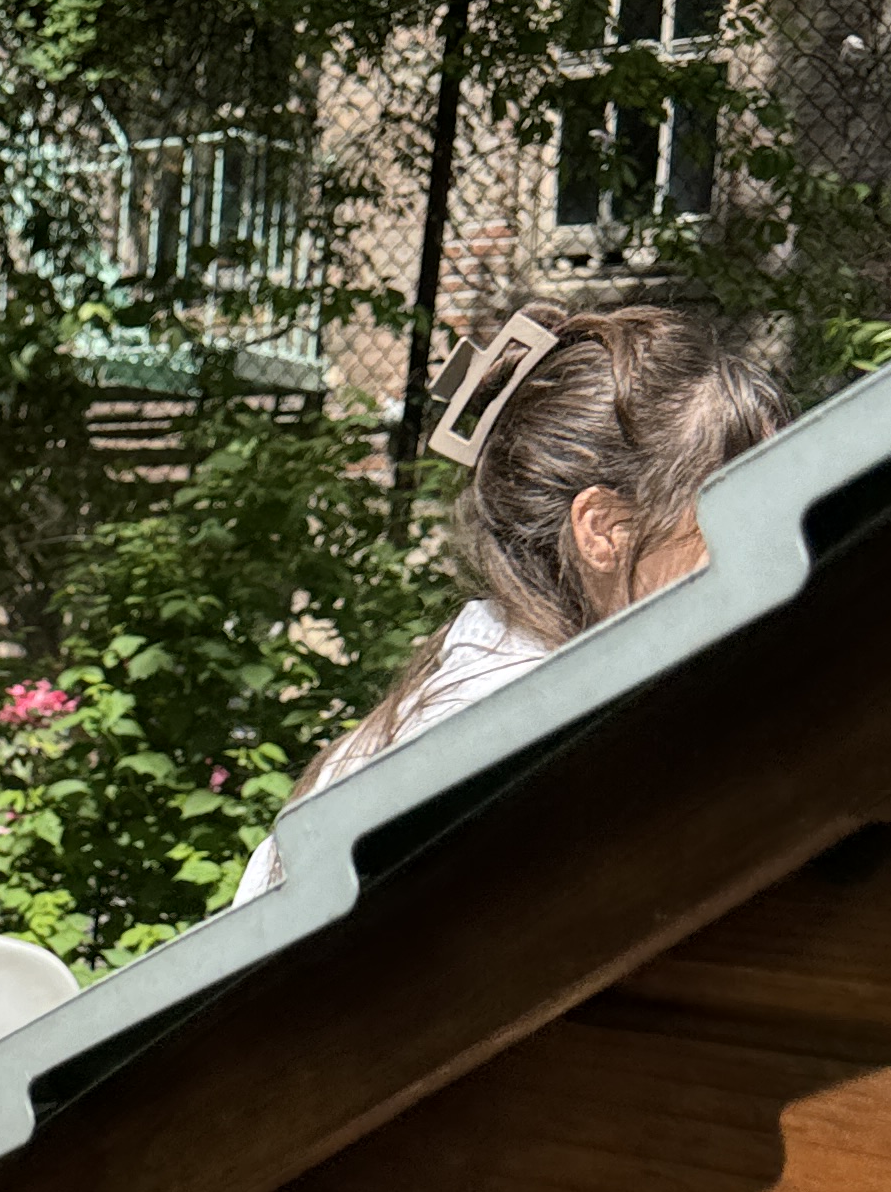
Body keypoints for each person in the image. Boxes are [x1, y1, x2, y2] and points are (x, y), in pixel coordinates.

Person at [233, 301, 792, 902]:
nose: (765, 546)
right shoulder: (500, 738)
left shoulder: (521, 685)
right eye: (731, 511)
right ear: (603, 530)